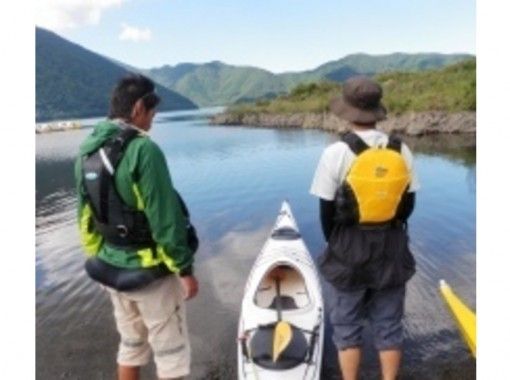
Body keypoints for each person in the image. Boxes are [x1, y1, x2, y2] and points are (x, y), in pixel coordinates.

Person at [75, 74, 198, 380]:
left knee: (131, 346)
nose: (153, 120)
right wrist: (184, 270)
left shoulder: (86, 152)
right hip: (150, 274)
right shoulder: (144, 150)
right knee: (171, 356)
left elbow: (85, 217)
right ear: (139, 107)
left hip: (110, 269)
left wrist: (98, 256)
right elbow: (165, 220)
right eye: (153, 113)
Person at [310, 76, 420, 380]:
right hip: (392, 245)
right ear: (376, 110)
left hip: (348, 247)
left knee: (346, 326)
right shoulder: (402, 150)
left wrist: (337, 245)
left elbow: (326, 212)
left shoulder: (335, 153)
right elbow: (408, 205)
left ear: (346, 112)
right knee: (389, 325)